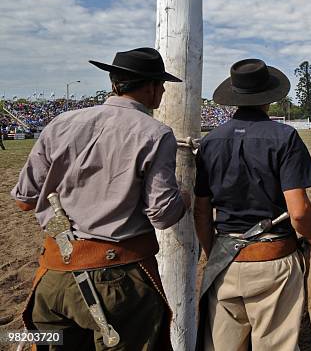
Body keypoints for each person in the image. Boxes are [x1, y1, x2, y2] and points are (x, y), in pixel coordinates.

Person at [12, 47, 188, 350]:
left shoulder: (59, 123)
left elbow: (24, 201)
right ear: (150, 87)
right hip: (119, 279)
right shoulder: (156, 133)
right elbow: (162, 215)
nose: (161, 92)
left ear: (115, 83)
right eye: (160, 85)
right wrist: (183, 196)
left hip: (53, 275)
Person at [193, 58, 311, 351]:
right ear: (269, 97)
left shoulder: (210, 141)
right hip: (274, 262)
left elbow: (201, 210)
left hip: (226, 260)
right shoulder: (285, 137)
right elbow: (299, 211)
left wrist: (215, 252)